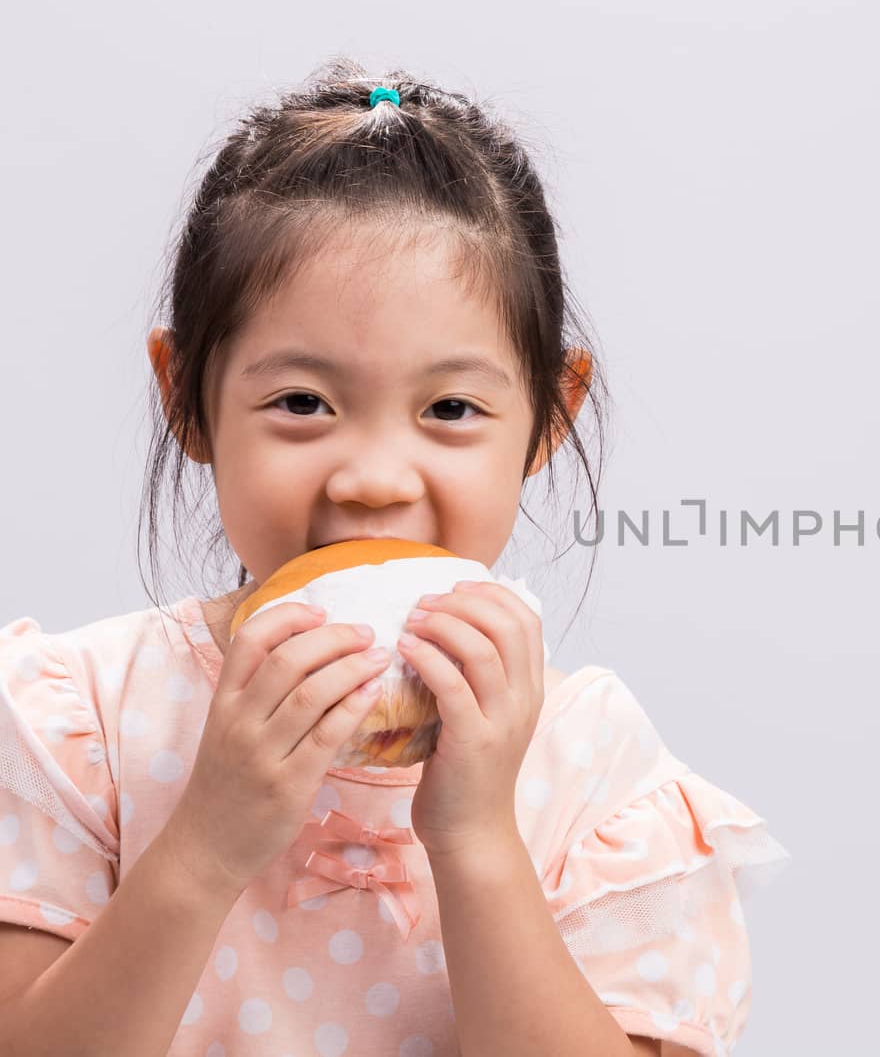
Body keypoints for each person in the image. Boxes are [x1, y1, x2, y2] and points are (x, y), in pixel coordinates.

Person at [0, 59, 789, 1057]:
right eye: (302, 403)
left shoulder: (599, 776)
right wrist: (205, 844)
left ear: (550, 415)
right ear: (186, 395)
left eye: (450, 410)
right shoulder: (73, 724)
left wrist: (476, 842)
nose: (373, 478)